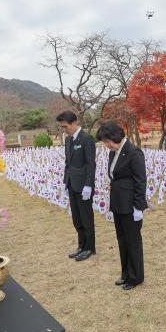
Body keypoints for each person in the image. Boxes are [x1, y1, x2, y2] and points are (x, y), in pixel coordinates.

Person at [97, 121, 148, 291]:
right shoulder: (114, 152)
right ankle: (125, 273)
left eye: (107, 141)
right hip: (118, 203)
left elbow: (140, 181)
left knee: (133, 241)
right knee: (122, 240)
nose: (106, 145)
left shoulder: (134, 153)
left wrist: (138, 207)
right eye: (104, 142)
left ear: (115, 137)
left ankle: (136, 277)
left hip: (131, 205)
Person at [57, 111, 96, 261]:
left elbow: (90, 164)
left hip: (84, 186)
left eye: (65, 126)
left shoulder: (86, 139)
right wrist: (65, 182)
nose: (64, 129)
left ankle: (89, 248)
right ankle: (81, 246)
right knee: (77, 218)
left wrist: (88, 185)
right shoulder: (68, 140)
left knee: (86, 218)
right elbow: (68, 163)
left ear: (74, 123)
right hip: (72, 184)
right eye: (62, 127)